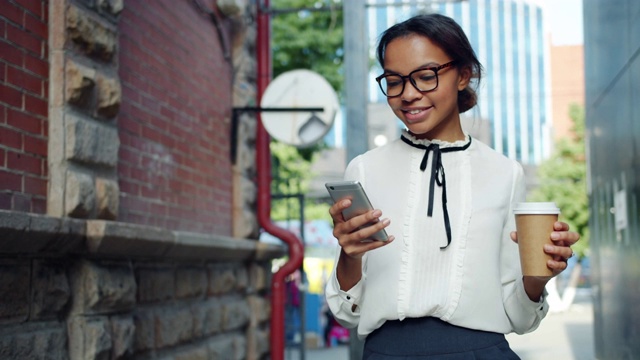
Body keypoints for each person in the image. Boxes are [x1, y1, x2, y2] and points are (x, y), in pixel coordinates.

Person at [325, 13, 580, 359]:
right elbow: (346, 313)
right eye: (395, 81)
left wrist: (539, 276)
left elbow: (518, 316)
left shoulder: (505, 173)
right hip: (387, 352)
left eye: (426, 77)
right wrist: (349, 254)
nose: (408, 95)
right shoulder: (365, 169)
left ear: (463, 75)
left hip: (480, 351)